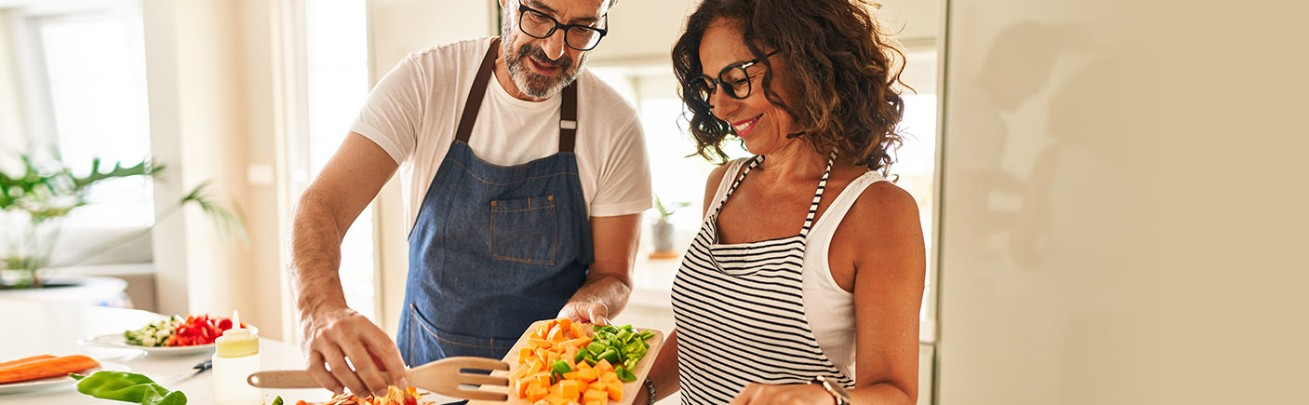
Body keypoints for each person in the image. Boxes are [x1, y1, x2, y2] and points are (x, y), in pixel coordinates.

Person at [288, 0, 651, 398]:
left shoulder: (615, 125)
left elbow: (612, 275)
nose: (554, 50)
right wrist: (321, 308)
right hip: (422, 379)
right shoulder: (427, 80)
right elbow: (321, 205)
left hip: (539, 388)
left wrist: (581, 313)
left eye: (581, 28)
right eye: (540, 16)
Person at [637, 0, 925, 403]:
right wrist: (640, 389)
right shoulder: (724, 184)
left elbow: (895, 394)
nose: (719, 106)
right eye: (709, 87)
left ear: (807, 60)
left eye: (736, 78)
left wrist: (824, 399)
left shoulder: (876, 210)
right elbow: (705, 335)